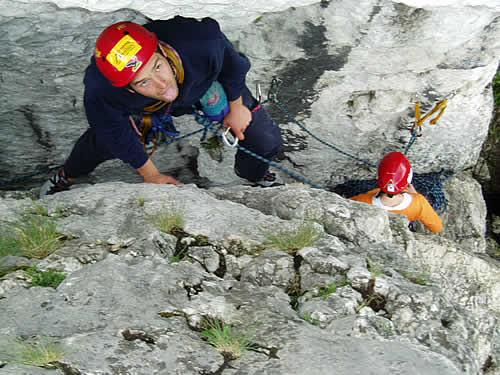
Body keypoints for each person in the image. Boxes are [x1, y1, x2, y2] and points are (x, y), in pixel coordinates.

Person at [41, 16, 283, 196]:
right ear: (127, 88)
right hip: (147, 107)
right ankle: (67, 175)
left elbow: (233, 65)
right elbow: (112, 129)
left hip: (199, 83)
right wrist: (151, 175)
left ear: (161, 50)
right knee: (104, 142)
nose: (161, 83)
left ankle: (256, 174)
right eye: (143, 81)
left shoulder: (200, 41)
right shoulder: (102, 90)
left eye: (157, 66)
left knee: (264, 138)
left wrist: (237, 106)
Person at [350, 152, 443, 233]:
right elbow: (437, 228)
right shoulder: (419, 203)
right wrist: (415, 195)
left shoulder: (362, 201)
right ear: (407, 181)